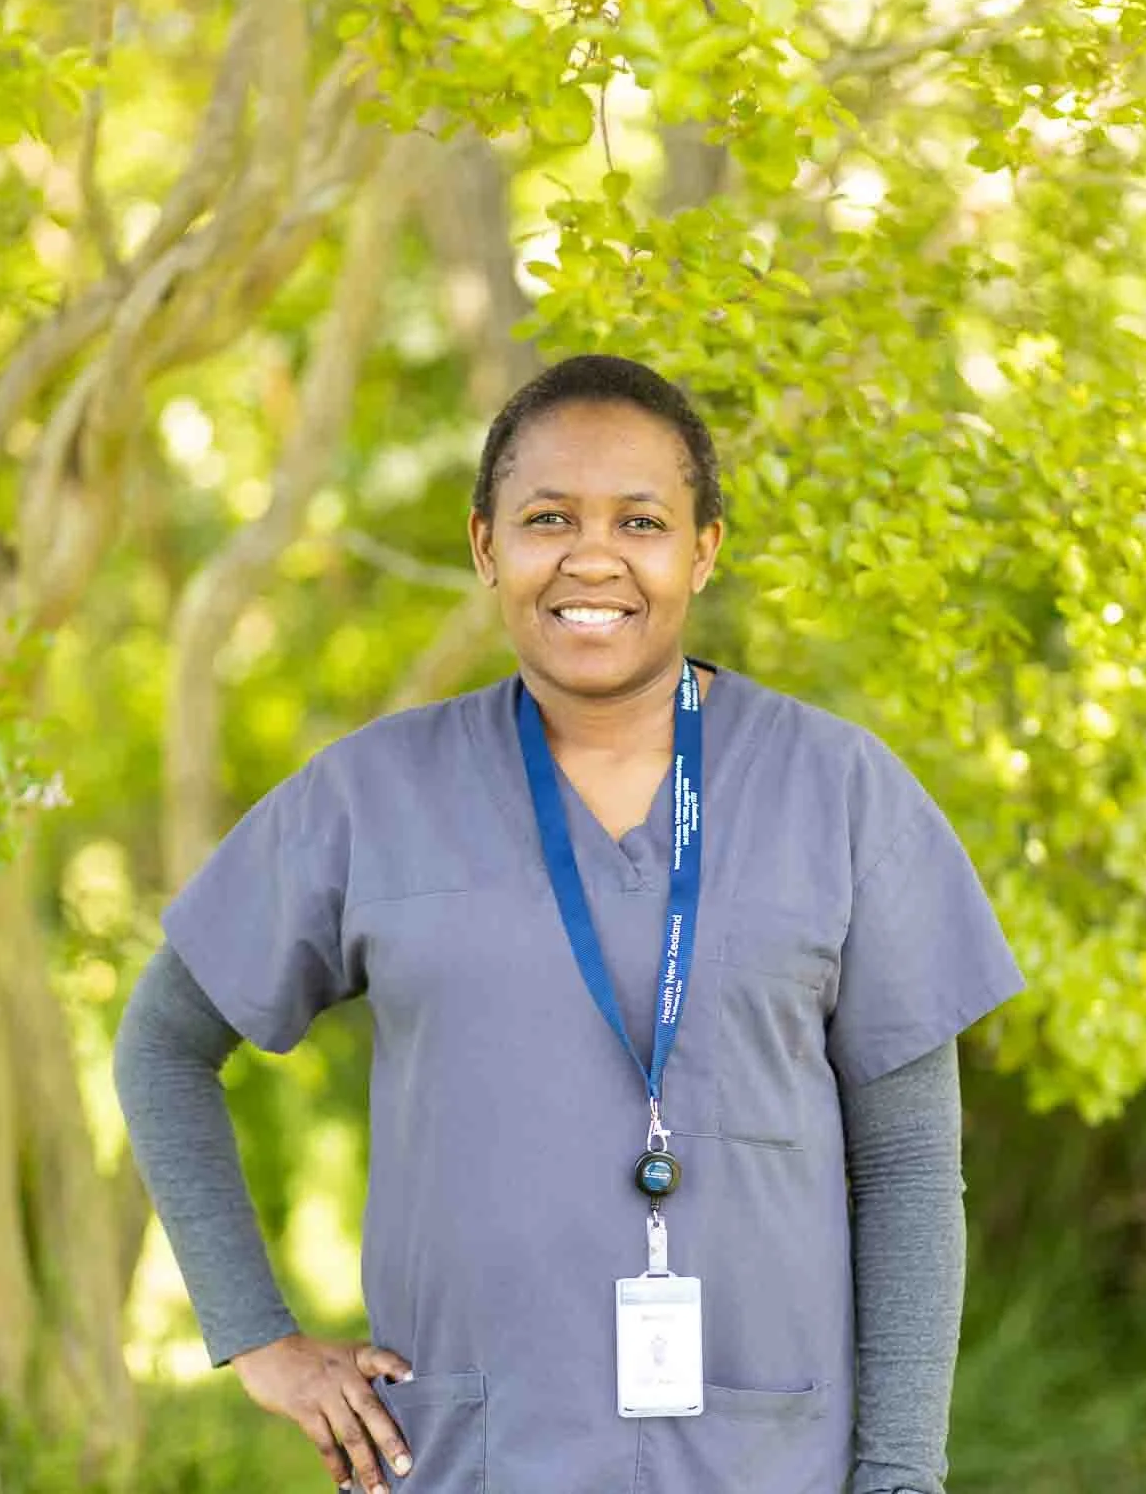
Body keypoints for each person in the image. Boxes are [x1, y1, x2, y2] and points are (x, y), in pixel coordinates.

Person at [114, 353, 1026, 1494]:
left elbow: (905, 1162)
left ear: (702, 551)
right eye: (549, 518)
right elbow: (162, 1043)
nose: (593, 557)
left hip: (772, 1461)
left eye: (640, 521)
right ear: (487, 546)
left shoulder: (839, 793)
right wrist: (259, 1338)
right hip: (471, 1457)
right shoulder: (371, 798)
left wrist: (899, 1472)